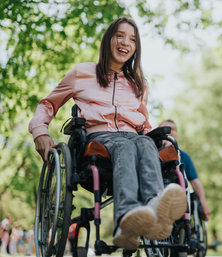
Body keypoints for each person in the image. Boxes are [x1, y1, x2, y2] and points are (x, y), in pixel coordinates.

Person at [28, 17, 187, 251]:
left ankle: (155, 210)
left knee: (144, 143)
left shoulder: (139, 83)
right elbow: (47, 104)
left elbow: (143, 121)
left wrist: (158, 139)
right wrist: (40, 131)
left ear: (136, 48)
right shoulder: (82, 73)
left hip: (134, 137)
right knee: (125, 145)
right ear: (108, 40)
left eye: (132, 39)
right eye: (120, 36)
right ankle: (125, 218)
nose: (126, 43)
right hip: (99, 138)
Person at [159, 120, 212, 221]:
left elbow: (195, 182)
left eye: (173, 129)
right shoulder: (150, 153)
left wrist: (203, 202)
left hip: (177, 197)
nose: (170, 132)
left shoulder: (184, 157)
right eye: (166, 129)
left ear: (177, 135)